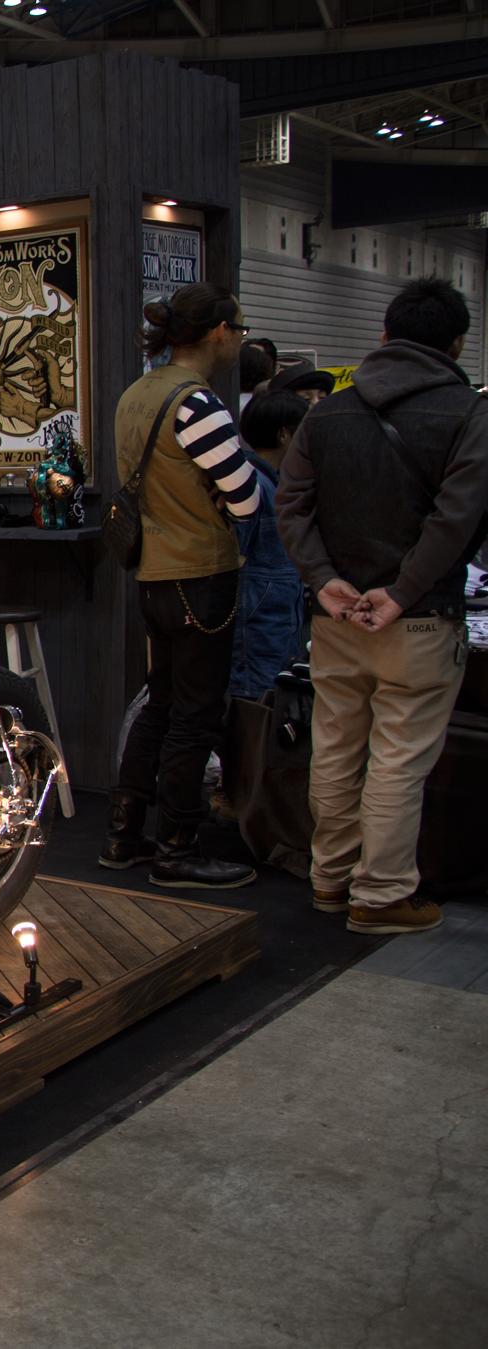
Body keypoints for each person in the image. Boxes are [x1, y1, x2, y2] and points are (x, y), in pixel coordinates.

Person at [276, 278, 488, 936]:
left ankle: (329, 878)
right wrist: (400, 592)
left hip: (335, 616)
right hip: (419, 619)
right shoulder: (469, 412)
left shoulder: (328, 412)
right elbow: (459, 518)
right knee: (399, 756)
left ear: (383, 337)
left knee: (335, 746)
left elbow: (291, 504)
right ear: (456, 342)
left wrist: (323, 578)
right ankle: (382, 891)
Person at [102, 282, 261, 888]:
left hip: (153, 573)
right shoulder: (198, 403)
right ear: (219, 332)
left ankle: (123, 833)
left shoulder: (137, 393)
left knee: (162, 702)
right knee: (195, 715)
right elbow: (246, 499)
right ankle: (178, 847)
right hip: (200, 573)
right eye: (240, 332)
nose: (240, 342)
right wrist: (221, 496)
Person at [227, 391, 310, 699]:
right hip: (256, 633)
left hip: (273, 629)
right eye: (305, 429)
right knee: (257, 713)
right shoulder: (256, 485)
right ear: (284, 434)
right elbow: (232, 560)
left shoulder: (275, 482)